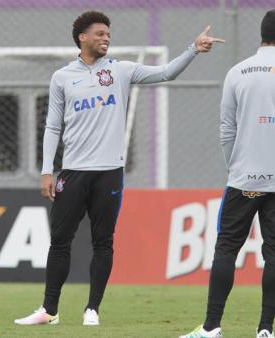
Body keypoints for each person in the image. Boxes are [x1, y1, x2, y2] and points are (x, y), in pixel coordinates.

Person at [14, 11, 224, 326]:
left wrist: (193, 49)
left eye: (108, 34)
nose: (106, 38)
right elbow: (52, 127)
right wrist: (47, 170)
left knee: (103, 241)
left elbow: (166, 73)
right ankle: (49, 310)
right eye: (99, 33)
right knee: (60, 241)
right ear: (82, 37)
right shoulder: (62, 77)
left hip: (110, 171)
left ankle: (92, 309)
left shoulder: (121, 70)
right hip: (72, 172)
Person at [180, 9, 275, 338]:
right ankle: (265, 329)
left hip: (245, 180)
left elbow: (226, 130)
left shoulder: (238, 71)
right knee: (274, 253)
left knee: (227, 249)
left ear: (261, 35)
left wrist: (235, 165)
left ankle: (211, 327)